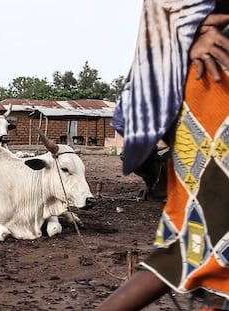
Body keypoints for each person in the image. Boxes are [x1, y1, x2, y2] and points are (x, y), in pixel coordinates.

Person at [96, 1, 229, 310]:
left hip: (207, 76)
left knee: (194, 240)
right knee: (198, 238)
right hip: (214, 71)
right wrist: (188, 29)